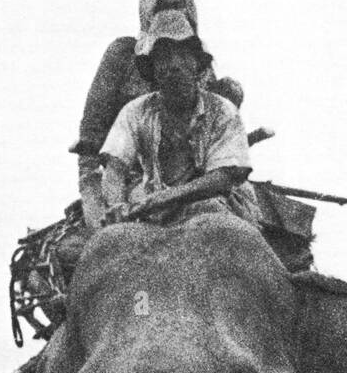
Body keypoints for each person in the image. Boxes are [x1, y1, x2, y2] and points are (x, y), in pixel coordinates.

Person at [73, 0, 243, 229]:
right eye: (162, 6)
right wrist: (100, 192)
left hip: (195, 180)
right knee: (106, 240)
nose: (174, 67)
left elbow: (219, 152)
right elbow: (95, 137)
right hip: (133, 176)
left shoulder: (211, 89)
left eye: (177, 6)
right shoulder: (123, 62)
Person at [100, 12, 258, 229]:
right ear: (153, 69)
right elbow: (115, 168)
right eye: (164, 58)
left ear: (197, 64)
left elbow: (222, 178)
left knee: (223, 227)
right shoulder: (135, 111)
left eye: (183, 56)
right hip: (152, 208)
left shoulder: (223, 111)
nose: (175, 66)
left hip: (210, 205)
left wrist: (163, 199)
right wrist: (116, 204)